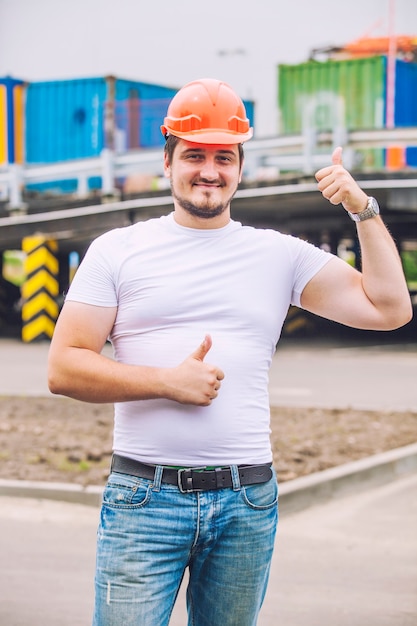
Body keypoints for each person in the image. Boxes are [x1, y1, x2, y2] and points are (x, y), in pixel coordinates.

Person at [48, 78, 412, 626]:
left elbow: (389, 309)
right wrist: (165, 382)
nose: (210, 171)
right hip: (145, 499)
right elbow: (64, 366)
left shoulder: (278, 255)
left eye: (224, 157)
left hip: (247, 502)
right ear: (167, 162)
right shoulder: (118, 251)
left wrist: (362, 210)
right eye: (194, 155)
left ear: (240, 168)